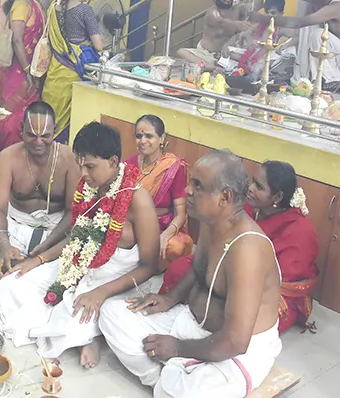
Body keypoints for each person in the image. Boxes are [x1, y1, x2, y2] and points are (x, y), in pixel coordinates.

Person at [98, 151, 282, 397]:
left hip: (235, 351)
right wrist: (170, 299)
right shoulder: (211, 221)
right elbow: (198, 269)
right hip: (190, 322)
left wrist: (178, 348)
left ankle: (172, 378)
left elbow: (236, 341)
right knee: (112, 314)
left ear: (224, 197)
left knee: (193, 391)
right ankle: (162, 380)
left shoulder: (248, 248)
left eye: (198, 185)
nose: (187, 191)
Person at [0, 122, 160, 369]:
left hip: (115, 278)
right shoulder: (91, 187)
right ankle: (83, 328)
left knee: (68, 326)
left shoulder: (138, 199)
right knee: (10, 286)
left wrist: (101, 293)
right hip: (79, 264)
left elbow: (149, 266)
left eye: (90, 166)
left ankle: (91, 338)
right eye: (81, 165)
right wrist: (37, 261)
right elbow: (79, 236)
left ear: (113, 161)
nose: (83, 173)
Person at [161, 160, 319, 334]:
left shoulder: (300, 231)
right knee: (180, 270)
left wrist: (231, 278)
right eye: (253, 181)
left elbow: (278, 281)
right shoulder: (249, 206)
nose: (250, 189)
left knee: (244, 318)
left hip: (268, 291)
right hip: (228, 264)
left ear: (277, 197)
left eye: (259, 187)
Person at [0, 102, 80, 277]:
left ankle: (21, 261)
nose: (38, 142)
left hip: (54, 230)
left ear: (55, 130)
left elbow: (72, 211)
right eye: (31, 135)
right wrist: (4, 245)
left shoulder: (69, 158)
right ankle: (18, 259)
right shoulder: (8, 157)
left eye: (45, 136)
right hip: (16, 227)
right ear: (21, 128)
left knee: (79, 241)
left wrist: (48, 243)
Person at [41, 0, 105, 143]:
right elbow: (98, 45)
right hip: (74, 73)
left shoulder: (55, 7)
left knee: (51, 119)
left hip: (55, 72)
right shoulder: (85, 10)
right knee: (67, 125)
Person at [124, 115, 193, 266]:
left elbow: (180, 214)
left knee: (175, 247)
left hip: (162, 226)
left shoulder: (174, 168)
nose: (143, 141)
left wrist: (165, 235)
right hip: (135, 222)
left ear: (161, 139)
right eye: (138, 136)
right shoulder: (129, 164)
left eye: (149, 136)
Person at [0, 0, 46, 115]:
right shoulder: (21, 6)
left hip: (33, 67)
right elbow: (17, 40)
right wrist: (27, 70)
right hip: (19, 69)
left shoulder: (34, 4)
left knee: (29, 112)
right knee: (13, 113)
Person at [176, 0, 254, 70]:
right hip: (205, 54)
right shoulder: (212, 12)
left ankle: (214, 66)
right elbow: (221, 22)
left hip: (225, 56)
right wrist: (236, 24)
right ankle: (212, 67)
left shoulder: (238, 9)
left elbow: (256, 4)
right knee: (181, 52)